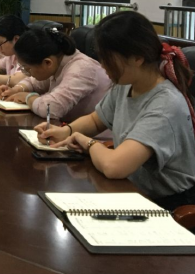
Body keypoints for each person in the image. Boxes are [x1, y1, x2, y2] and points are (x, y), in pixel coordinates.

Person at [36, 11, 195, 210]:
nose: (102, 65)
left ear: (137, 58)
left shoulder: (166, 105)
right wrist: (66, 131)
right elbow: (96, 120)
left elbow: (114, 167)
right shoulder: (126, 84)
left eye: (107, 59)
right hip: (129, 189)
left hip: (166, 205)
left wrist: (88, 143)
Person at [0, 27, 112, 122]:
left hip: (96, 138)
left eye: (27, 68)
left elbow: (51, 109)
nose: (27, 73)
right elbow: (34, 82)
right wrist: (17, 89)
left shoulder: (82, 69)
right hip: (69, 130)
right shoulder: (57, 60)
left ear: (48, 63)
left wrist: (28, 97)